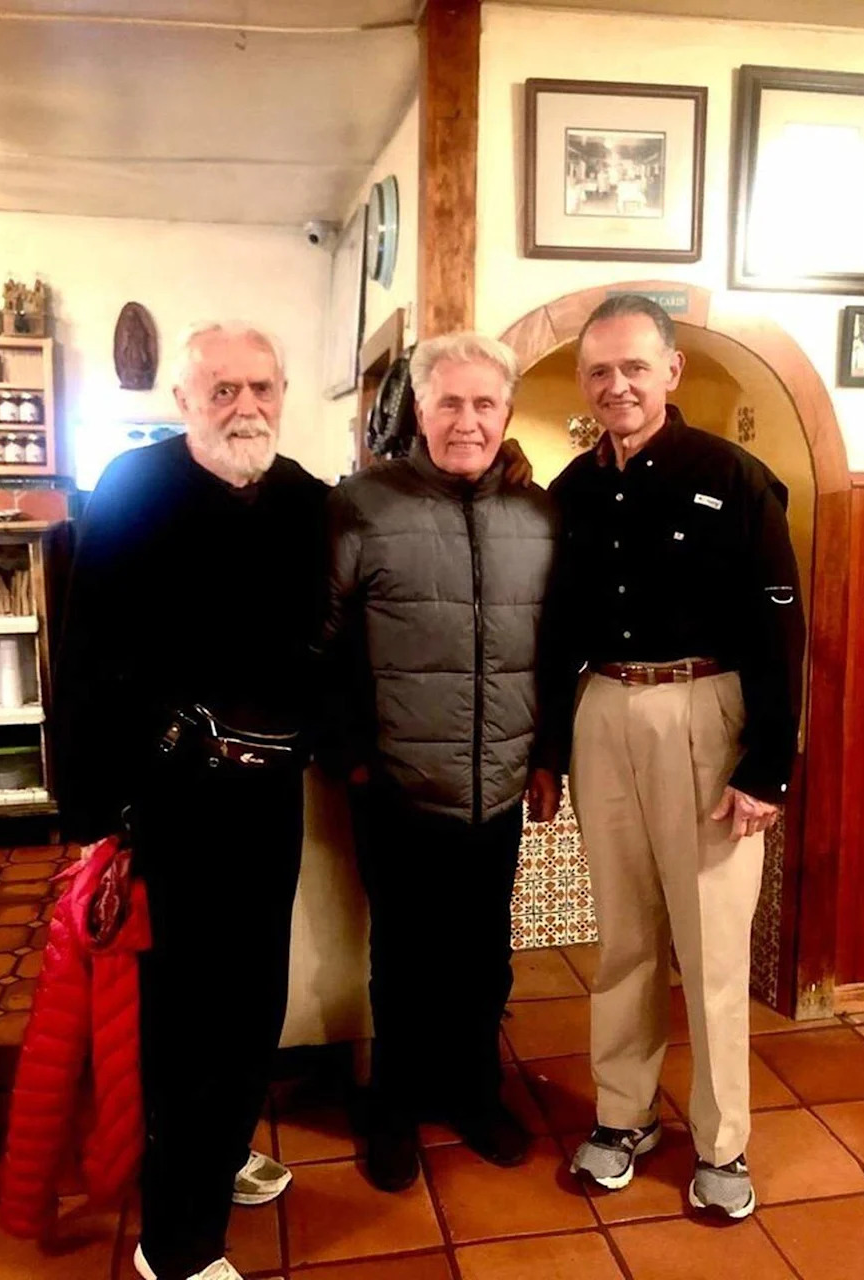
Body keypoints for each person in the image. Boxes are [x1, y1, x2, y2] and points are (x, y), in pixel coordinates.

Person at [54, 322, 324, 1280]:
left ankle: (221, 1152)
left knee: (255, 1002)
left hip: (271, 804)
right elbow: (83, 661)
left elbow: (323, 651)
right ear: (183, 400)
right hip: (173, 807)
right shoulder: (134, 489)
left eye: (261, 386)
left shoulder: (306, 502)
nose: (245, 407)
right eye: (222, 390)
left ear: (284, 390)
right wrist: (88, 817)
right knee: (186, 1024)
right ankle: (174, 1246)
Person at [532, 294, 805, 1220]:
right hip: (603, 709)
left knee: (713, 948)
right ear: (585, 380)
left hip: (707, 714)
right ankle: (623, 1115)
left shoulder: (733, 476)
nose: (618, 385)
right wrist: (545, 749)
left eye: (635, 367)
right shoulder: (570, 490)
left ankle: (724, 1142)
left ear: (671, 372)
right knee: (626, 938)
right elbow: (555, 629)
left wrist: (767, 766)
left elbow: (780, 632)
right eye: (600, 370)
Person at [323, 332, 559, 1193]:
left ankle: (474, 1094)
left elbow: (557, 647)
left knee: (483, 956)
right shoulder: (362, 505)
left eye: (484, 403)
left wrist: (546, 757)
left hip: (497, 786)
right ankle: (392, 1108)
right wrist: (352, 757)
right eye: (449, 402)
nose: (467, 420)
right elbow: (326, 642)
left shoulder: (540, 515)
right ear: (420, 410)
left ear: (506, 412)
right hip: (396, 785)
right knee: (404, 961)